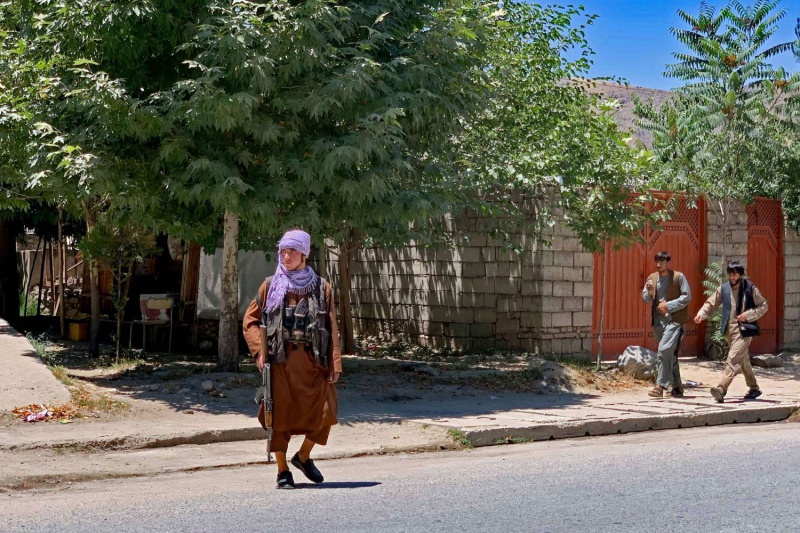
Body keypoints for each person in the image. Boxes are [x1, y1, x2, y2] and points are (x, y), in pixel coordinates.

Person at [243, 229, 342, 489]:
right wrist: (259, 351)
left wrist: (335, 363)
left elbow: (331, 327)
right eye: (283, 251)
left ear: (304, 255)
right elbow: (250, 321)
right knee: (278, 417)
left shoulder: (322, 288)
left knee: (327, 413)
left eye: (292, 252)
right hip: (280, 363)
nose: (286, 257)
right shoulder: (270, 286)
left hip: (313, 362)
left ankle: (303, 456)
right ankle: (283, 470)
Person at [694, 261, 767, 403]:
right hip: (729, 331)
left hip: (744, 331)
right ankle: (754, 388)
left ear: (740, 275)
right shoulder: (724, 289)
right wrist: (701, 314)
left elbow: (763, 306)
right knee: (743, 360)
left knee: (733, 358)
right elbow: (711, 303)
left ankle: (721, 389)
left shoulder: (750, 288)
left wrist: (749, 315)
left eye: (735, 274)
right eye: (730, 274)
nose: (732, 277)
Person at [642, 251, 692, 398]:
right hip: (659, 322)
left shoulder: (678, 277)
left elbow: (687, 297)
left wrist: (668, 305)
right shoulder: (652, 278)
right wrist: (650, 292)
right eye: (657, 261)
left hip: (675, 321)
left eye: (662, 261)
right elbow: (645, 297)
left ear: (668, 262)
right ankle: (677, 387)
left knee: (663, 350)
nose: (659, 264)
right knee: (670, 354)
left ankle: (660, 386)